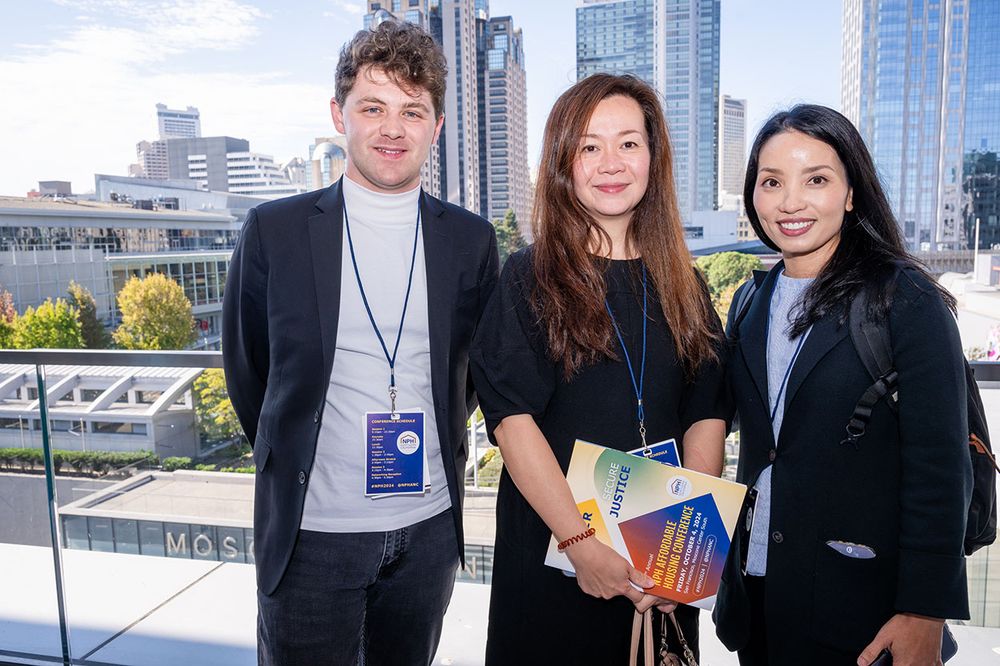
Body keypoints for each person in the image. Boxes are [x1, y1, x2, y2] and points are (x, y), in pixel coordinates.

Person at [222, 18, 499, 666]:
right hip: (312, 535)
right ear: (337, 114)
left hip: (429, 532)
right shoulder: (274, 231)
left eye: (413, 110)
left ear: (436, 125)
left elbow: (471, 378)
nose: (393, 127)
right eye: (372, 107)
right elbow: (249, 374)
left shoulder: (470, 241)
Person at [470, 73, 728, 665]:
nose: (611, 162)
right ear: (564, 161)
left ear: (653, 156)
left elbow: (707, 410)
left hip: (660, 558)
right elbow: (512, 421)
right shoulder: (528, 277)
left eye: (628, 143)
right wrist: (581, 544)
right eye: (590, 145)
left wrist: (687, 551)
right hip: (555, 556)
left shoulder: (683, 283)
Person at [712, 104, 972, 665]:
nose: (790, 201)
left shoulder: (904, 299)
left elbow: (942, 466)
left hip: (863, 614)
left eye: (817, 180)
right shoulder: (749, 302)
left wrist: (924, 612)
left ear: (851, 192)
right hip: (758, 599)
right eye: (771, 181)